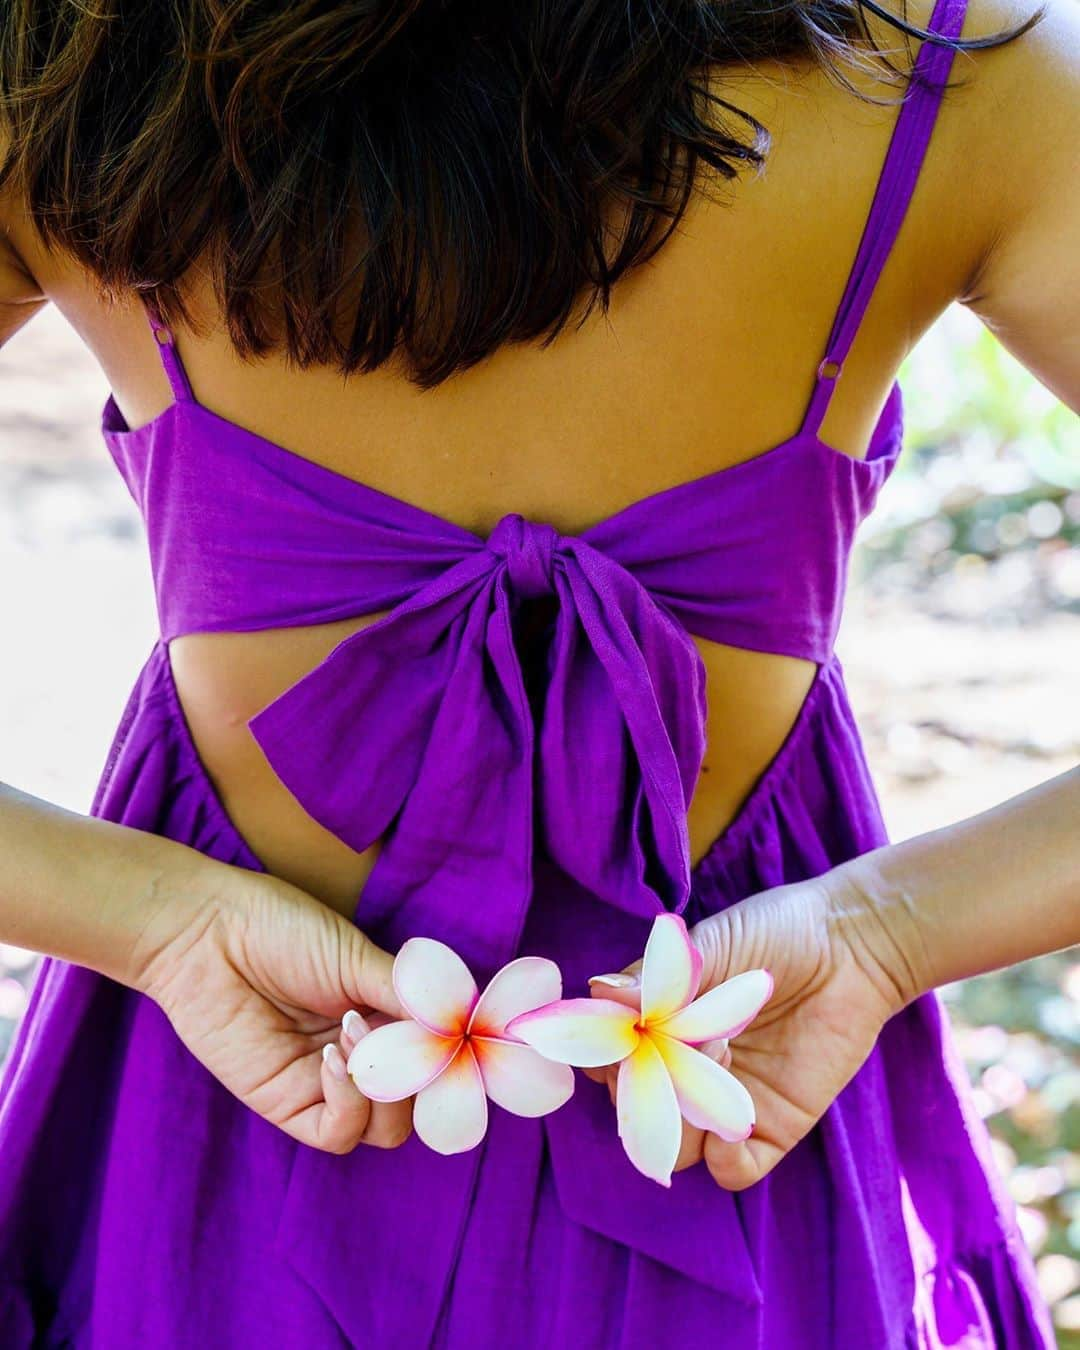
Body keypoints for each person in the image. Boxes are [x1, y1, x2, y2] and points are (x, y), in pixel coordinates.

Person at [0, 0, 1076, 1344]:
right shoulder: (947, 84)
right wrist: (885, 931)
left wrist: (144, 916)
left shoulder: (71, 76)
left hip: (225, 1118)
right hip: (724, 1106)